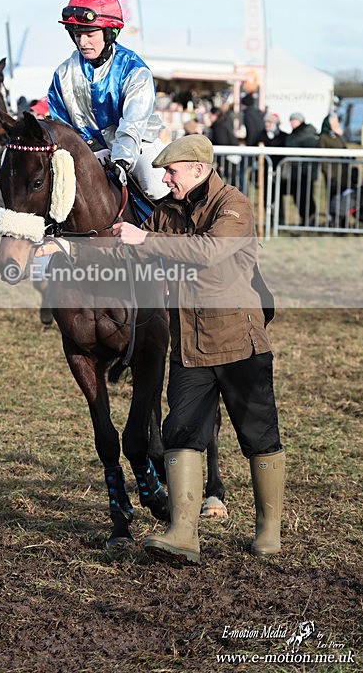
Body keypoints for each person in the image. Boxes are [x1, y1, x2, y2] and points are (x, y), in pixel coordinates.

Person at [110, 134, 284, 564]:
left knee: (258, 436)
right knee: (181, 433)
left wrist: (142, 240)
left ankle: (268, 531)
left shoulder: (233, 205)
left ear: (199, 169)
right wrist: (67, 247)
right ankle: (183, 533)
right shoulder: (166, 212)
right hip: (188, 346)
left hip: (240, 343)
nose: (165, 179)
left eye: (171, 172)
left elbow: (208, 250)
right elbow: (133, 253)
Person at [47, 0, 169, 201]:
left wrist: (121, 160)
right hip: (87, 150)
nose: (82, 42)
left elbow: (133, 123)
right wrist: (90, 149)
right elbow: (60, 124)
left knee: (156, 187)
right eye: (77, 34)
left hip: (137, 143)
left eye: (90, 34)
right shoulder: (63, 73)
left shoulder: (134, 71)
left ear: (110, 33)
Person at [281, 112, 319, 224]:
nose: (292, 122)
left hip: (305, 173)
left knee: (306, 197)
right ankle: (305, 219)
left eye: (294, 120)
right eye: (291, 120)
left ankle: (310, 219)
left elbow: (310, 156)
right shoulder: (294, 134)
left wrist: (306, 171)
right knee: (298, 197)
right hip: (295, 173)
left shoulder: (307, 135)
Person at [318, 113, 357, 201]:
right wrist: (329, 174)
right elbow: (322, 157)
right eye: (335, 122)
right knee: (334, 198)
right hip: (333, 174)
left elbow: (344, 149)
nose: (337, 124)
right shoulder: (323, 137)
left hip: (344, 173)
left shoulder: (337, 136)